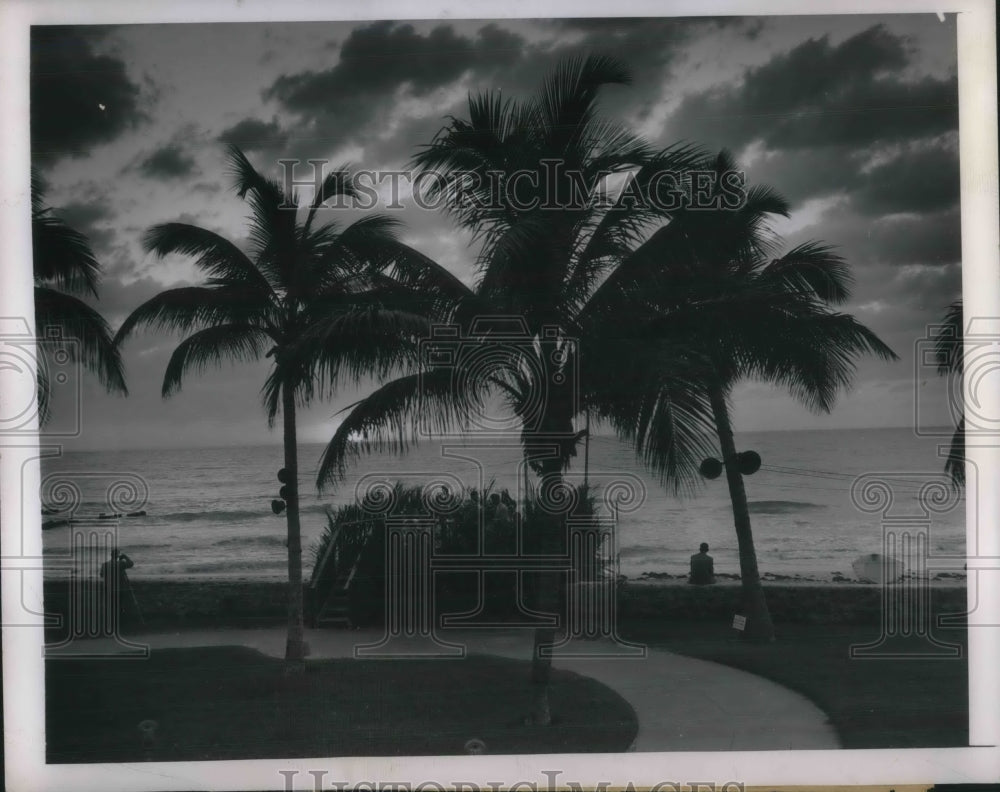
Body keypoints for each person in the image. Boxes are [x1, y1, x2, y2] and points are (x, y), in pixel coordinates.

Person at [100, 548, 136, 632]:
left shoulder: (104, 564)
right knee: (119, 606)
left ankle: (110, 625)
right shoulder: (121, 564)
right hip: (119, 589)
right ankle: (119, 625)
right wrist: (125, 556)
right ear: (118, 555)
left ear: (111, 555)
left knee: (111, 607)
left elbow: (101, 575)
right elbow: (131, 564)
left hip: (109, 589)